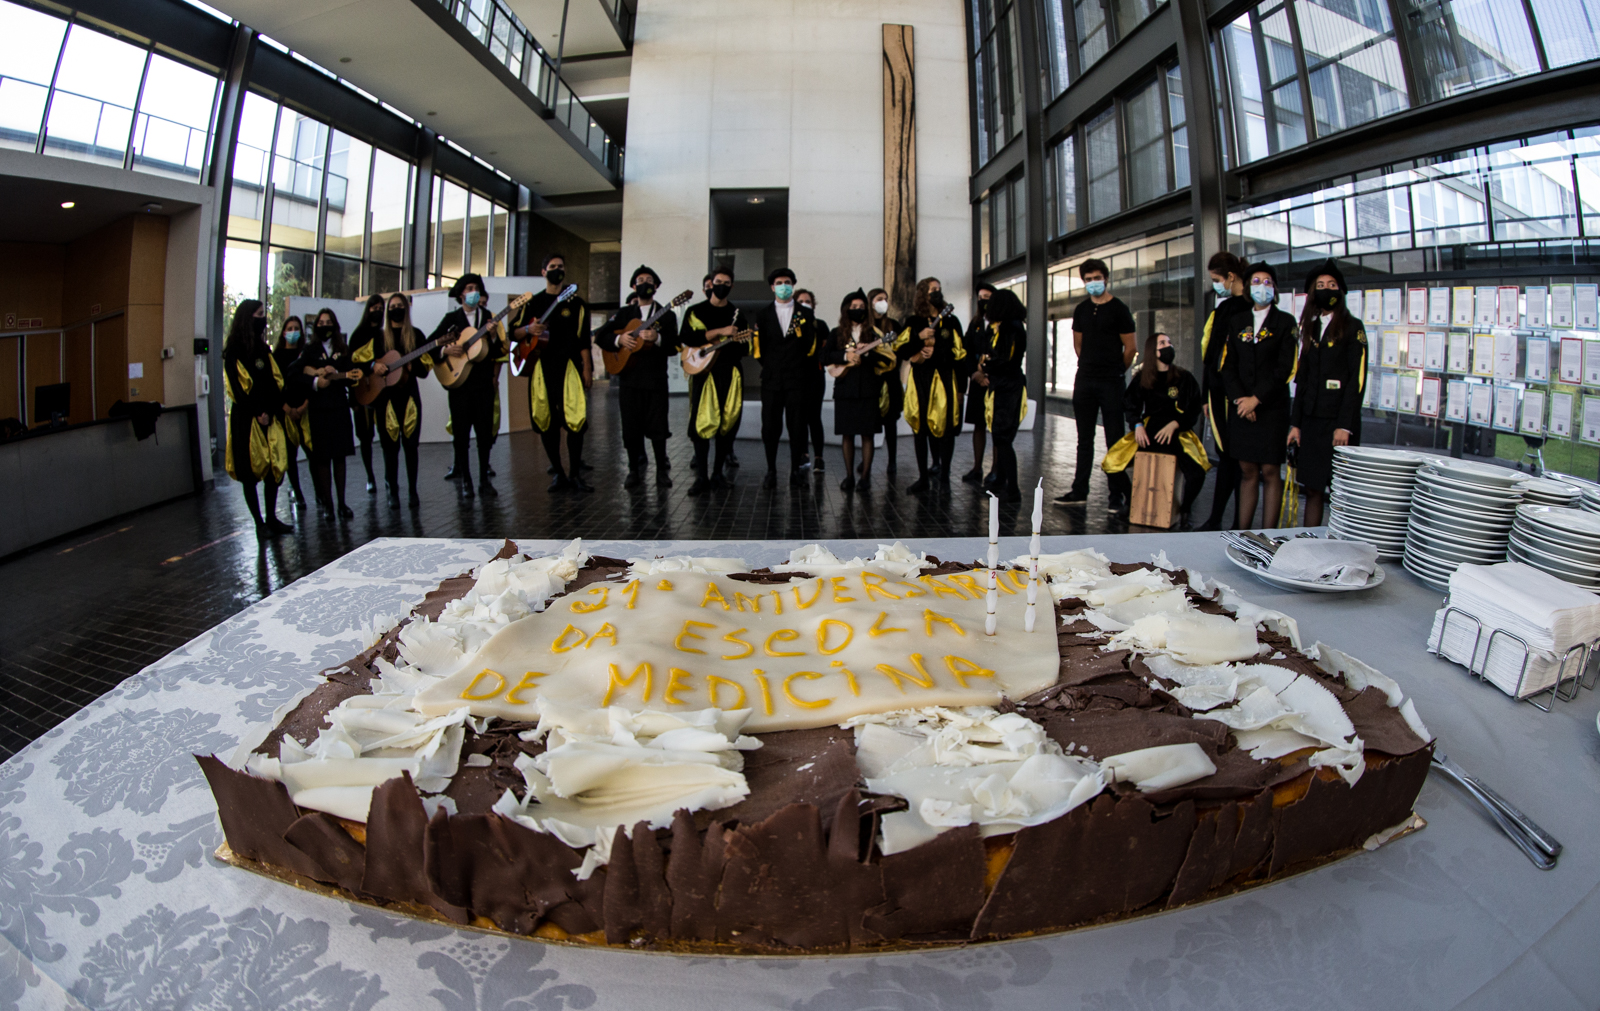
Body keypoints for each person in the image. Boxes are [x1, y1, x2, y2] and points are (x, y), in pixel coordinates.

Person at [1100, 332, 1211, 527]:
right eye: (1162, 343)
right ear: (1154, 351)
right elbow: (1130, 404)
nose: (1168, 346)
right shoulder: (1143, 377)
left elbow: (1193, 408)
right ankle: (1132, 501)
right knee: (1111, 463)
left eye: (1169, 342)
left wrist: (1176, 423)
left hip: (1177, 433)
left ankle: (1185, 510)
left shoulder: (1184, 377)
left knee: (1197, 472)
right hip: (1149, 431)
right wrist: (1137, 425)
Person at [1289, 259, 1367, 527]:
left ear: (1340, 290)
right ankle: (1309, 540)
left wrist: (1345, 425)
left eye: (1332, 285)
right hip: (1311, 421)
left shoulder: (1353, 327)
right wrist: (1295, 424)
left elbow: (1357, 381)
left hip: (1338, 422)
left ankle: (1338, 542)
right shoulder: (1311, 328)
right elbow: (1302, 379)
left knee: (1339, 491)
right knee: (1312, 488)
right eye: (1320, 285)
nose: (1326, 289)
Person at [1057, 259, 1137, 512]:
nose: (1093, 283)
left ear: (1106, 278)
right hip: (1085, 380)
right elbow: (1078, 344)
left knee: (1114, 439)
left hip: (1112, 381)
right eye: (1089, 279)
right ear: (1084, 281)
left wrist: (1117, 370)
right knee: (1084, 440)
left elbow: (1131, 348)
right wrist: (1090, 366)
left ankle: (1116, 495)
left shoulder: (1119, 309)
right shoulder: (1081, 309)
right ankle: (1079, 490)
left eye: (1097, 278)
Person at [1222, 262, 1298, 529]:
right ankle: (1242, 532)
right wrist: (1240, 400)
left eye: (1267, 282)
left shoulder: (1285, 322)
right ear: (1247, 287)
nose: (1261, 287)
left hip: (1271, 407)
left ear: (1274, 288)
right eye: (1256, 281)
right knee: (1247, 470)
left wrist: (1256, 399)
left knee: (1270, 470)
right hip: (1242, 407)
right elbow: (1228, 366)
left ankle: (1268, 535)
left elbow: (1284, 368)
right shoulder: (1237, 322)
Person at [511, 254, 592, 492]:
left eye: (561, 266)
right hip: (541, 366)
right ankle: (558, 473)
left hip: (569, 366)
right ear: (543, 272)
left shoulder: (577, 304)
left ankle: (575, 474)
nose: (557, 270)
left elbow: (583, 340)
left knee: (575, 419)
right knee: (545, 420)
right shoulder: (532, 303)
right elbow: (513, 333)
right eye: (552, 266)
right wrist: (528, 328)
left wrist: (587, 367)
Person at [596, 264, 682, 488]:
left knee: (658, 427)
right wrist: (619, 340)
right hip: (630, 380)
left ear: (656, 286)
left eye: (650, 281)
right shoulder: (624, 314)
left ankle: (661, 471)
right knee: (631, 427)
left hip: (655, 381)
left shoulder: (667, 315)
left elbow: (675, 346)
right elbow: (601, 336)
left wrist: (658, 338)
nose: (645, 284)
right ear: (634, 287)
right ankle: (633, 470)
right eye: (641, 280)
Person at [222, 299, 292, 536]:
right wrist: (257, 412)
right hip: (247, 420)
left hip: (269, 417)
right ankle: (259, 523)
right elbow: (237, 390)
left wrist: (270, 412)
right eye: (259, 314)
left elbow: (275, 382)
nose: (263, 318)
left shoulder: (263, 349)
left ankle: (272, 518)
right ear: (247, 318)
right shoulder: (233, 351)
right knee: (249, 471)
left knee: (274, 469)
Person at [431, 273, 505, 499]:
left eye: (476, 288)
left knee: (484, 435)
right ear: (461, 293)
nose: (473, 292)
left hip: (483, 385)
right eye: (469, 288)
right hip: (459, 387)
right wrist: (445, 350)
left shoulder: (489, 318)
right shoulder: (451, 319)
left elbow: (498, 352)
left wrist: (493, 337)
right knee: (461, 436)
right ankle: (466, 480)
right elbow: (430, 344)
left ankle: (484, 480)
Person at [352, 292, 429, 508]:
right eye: (392, 306)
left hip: (409, 397)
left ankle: (413, 491)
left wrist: (414, 366)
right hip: (385, 400)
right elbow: (356, 359)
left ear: (406, 308)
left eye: (400, 305)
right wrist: (373, 366)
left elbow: (425, 369)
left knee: (411, 446)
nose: (396, 309)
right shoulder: (379, 337)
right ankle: (392, 491)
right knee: (389, 447)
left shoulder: (416, 335)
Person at [753, 267, 826, 488]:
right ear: (772, 287)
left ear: (793, 286)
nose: (783, 286)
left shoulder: (805, 314)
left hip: (798, 379)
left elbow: (810, 347)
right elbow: (759, 349)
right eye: (779, 283)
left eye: (787, 282)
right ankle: (771, 470)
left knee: (797, 426)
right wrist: (773, 366)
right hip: (772, 380)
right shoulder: (763, 315)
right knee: (770, 427)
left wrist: (796, 365)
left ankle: (795, 470)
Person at [893, 277, 966, 494]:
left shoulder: (951, 322)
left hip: (944, 380)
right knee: (920, 430)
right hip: (920, 380)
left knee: (946, 430)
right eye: (932, 289)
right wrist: (919, 337)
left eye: (939, 289)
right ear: (923, 294)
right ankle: (923, 478)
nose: (937, 292)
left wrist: (937, 351)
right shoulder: (914, 321)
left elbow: (959, 354)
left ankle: (944, 477)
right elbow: (901, 349)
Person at [1196, 252, 1251, 531]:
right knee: (1227, 454)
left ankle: (1235, 521)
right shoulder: (1223, 309)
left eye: (1217, 279)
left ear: (1231, 276)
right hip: (1219, 392)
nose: (1215, 285)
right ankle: (1217, 518)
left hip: (1238, 394)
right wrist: (1207, 393)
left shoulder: (1248, 308)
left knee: (1239, 458)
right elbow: (1210, 354)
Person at [682, 267, 745, 494]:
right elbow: (686, 337)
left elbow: (745, 349)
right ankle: (701, 477)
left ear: (732, 286)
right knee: (700, 424)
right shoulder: (695, 311)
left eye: (726, 283)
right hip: (702, 374)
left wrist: (735, 340)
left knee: (726, 424)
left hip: (729, 374)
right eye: (718, 282)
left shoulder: (737, 313)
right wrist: (720, 332)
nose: (722, 286)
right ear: (711, 283)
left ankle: (718, 474)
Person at [825, 290, 894, 492]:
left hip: (868, 390)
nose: (858, 310)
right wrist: (845, 356)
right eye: (854, 307)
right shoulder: (836, 333)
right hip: (845, 390)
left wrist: (868, 355)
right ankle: (848, 476)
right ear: (846, 310)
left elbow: (887, 360)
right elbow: (824, 356)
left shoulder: (874, 334)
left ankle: (865, 477)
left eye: (862, 307)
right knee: (847, 434)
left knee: (867, 434)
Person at [299, 307, 360, 519]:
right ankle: (328, 505)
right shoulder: (310, 349)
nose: (325, 326)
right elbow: (300, 373)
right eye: (321, 323)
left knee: (339, 457)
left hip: (339, 407)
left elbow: (352, 376)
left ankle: (342, 503)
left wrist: (337, 373)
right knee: (322, 459)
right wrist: (317, 379)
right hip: (319, 409)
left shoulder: (343, 348)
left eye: (328, 322)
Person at [974, 288, 1027, 502]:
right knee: (1000, 436)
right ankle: (1001, 483)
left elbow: (1006, 359)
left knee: (1003, 437)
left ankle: (1012, 490)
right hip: (1003, 385)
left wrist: (986, 365)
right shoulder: (1003, 327)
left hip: (1008, 387)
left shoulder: (1012, 327)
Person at [347, 294, 386, 494]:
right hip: (362, 391)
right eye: (374, 308)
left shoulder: (383, 335)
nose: (377, 311)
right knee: (365, 437)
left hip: (381, 392)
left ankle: (388, 477)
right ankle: (370, 476)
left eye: (380, 308)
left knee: (386, 434)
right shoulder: (357, 335)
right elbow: (351, 365)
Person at [271, 315, 311, 509]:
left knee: (312, 452)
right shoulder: (276, 357)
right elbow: (273, 387)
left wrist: (304, 406)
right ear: (284, 332)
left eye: (296, 328)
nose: (293, 332)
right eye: (290, 328)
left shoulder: (305, 355)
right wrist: (287, 408)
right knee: (290, 456)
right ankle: (298, 493)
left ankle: (321, 494)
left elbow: (311, 383)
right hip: (285, 412)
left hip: (305, 410)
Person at [960, 282, 996, 485]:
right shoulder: (975, 324)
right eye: (980, 297)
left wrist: (987, 374)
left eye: (987, 297)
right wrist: (974, 373)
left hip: (994, 381)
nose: (983, 301)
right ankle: (977, 467)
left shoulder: (999, 324)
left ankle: (995, 469)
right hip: (977, 381)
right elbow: (965, 351)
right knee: (979, 425)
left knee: (996, 427)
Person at [867, 287, 902, 477]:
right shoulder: (866, 327)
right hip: (872, 379)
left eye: (886, 299)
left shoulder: (894, 325)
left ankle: (892, 460)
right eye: (879, 299)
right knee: (870, 424)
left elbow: (901, 350)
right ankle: (867, 460)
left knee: (891, 423)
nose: (884, 302)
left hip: (891, 379)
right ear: (871, 302)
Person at [793, 288, 827, 473]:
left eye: (808, 301)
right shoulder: (793, 324)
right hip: (797, 376)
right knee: (800, 417)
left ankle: (819, 458)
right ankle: (803, 454)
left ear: (813, 304)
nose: (805, 304)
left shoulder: (820, 325)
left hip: (816, 376)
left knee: (814, 417)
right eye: (801, 301)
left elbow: (825, 349)